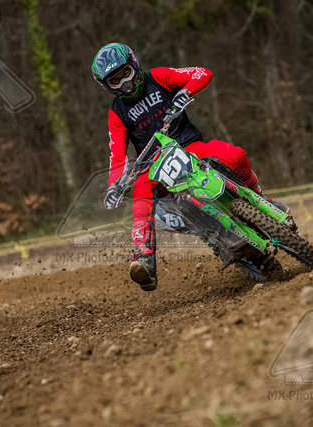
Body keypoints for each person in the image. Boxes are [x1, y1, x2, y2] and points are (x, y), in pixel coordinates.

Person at [92, 42, 286, 291]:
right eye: (115, 81)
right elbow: (117, 154)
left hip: (189, 147)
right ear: (106, 86)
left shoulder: (158, 77)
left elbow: (202, 73)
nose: (125, 84)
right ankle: (144, 259)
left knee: (235, 155)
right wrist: (114, 186)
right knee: (140, 192)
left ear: (135, 66)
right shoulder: (117, 113)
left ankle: (261, 200)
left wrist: (186, 92)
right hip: (153, 167)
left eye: (126, 74)